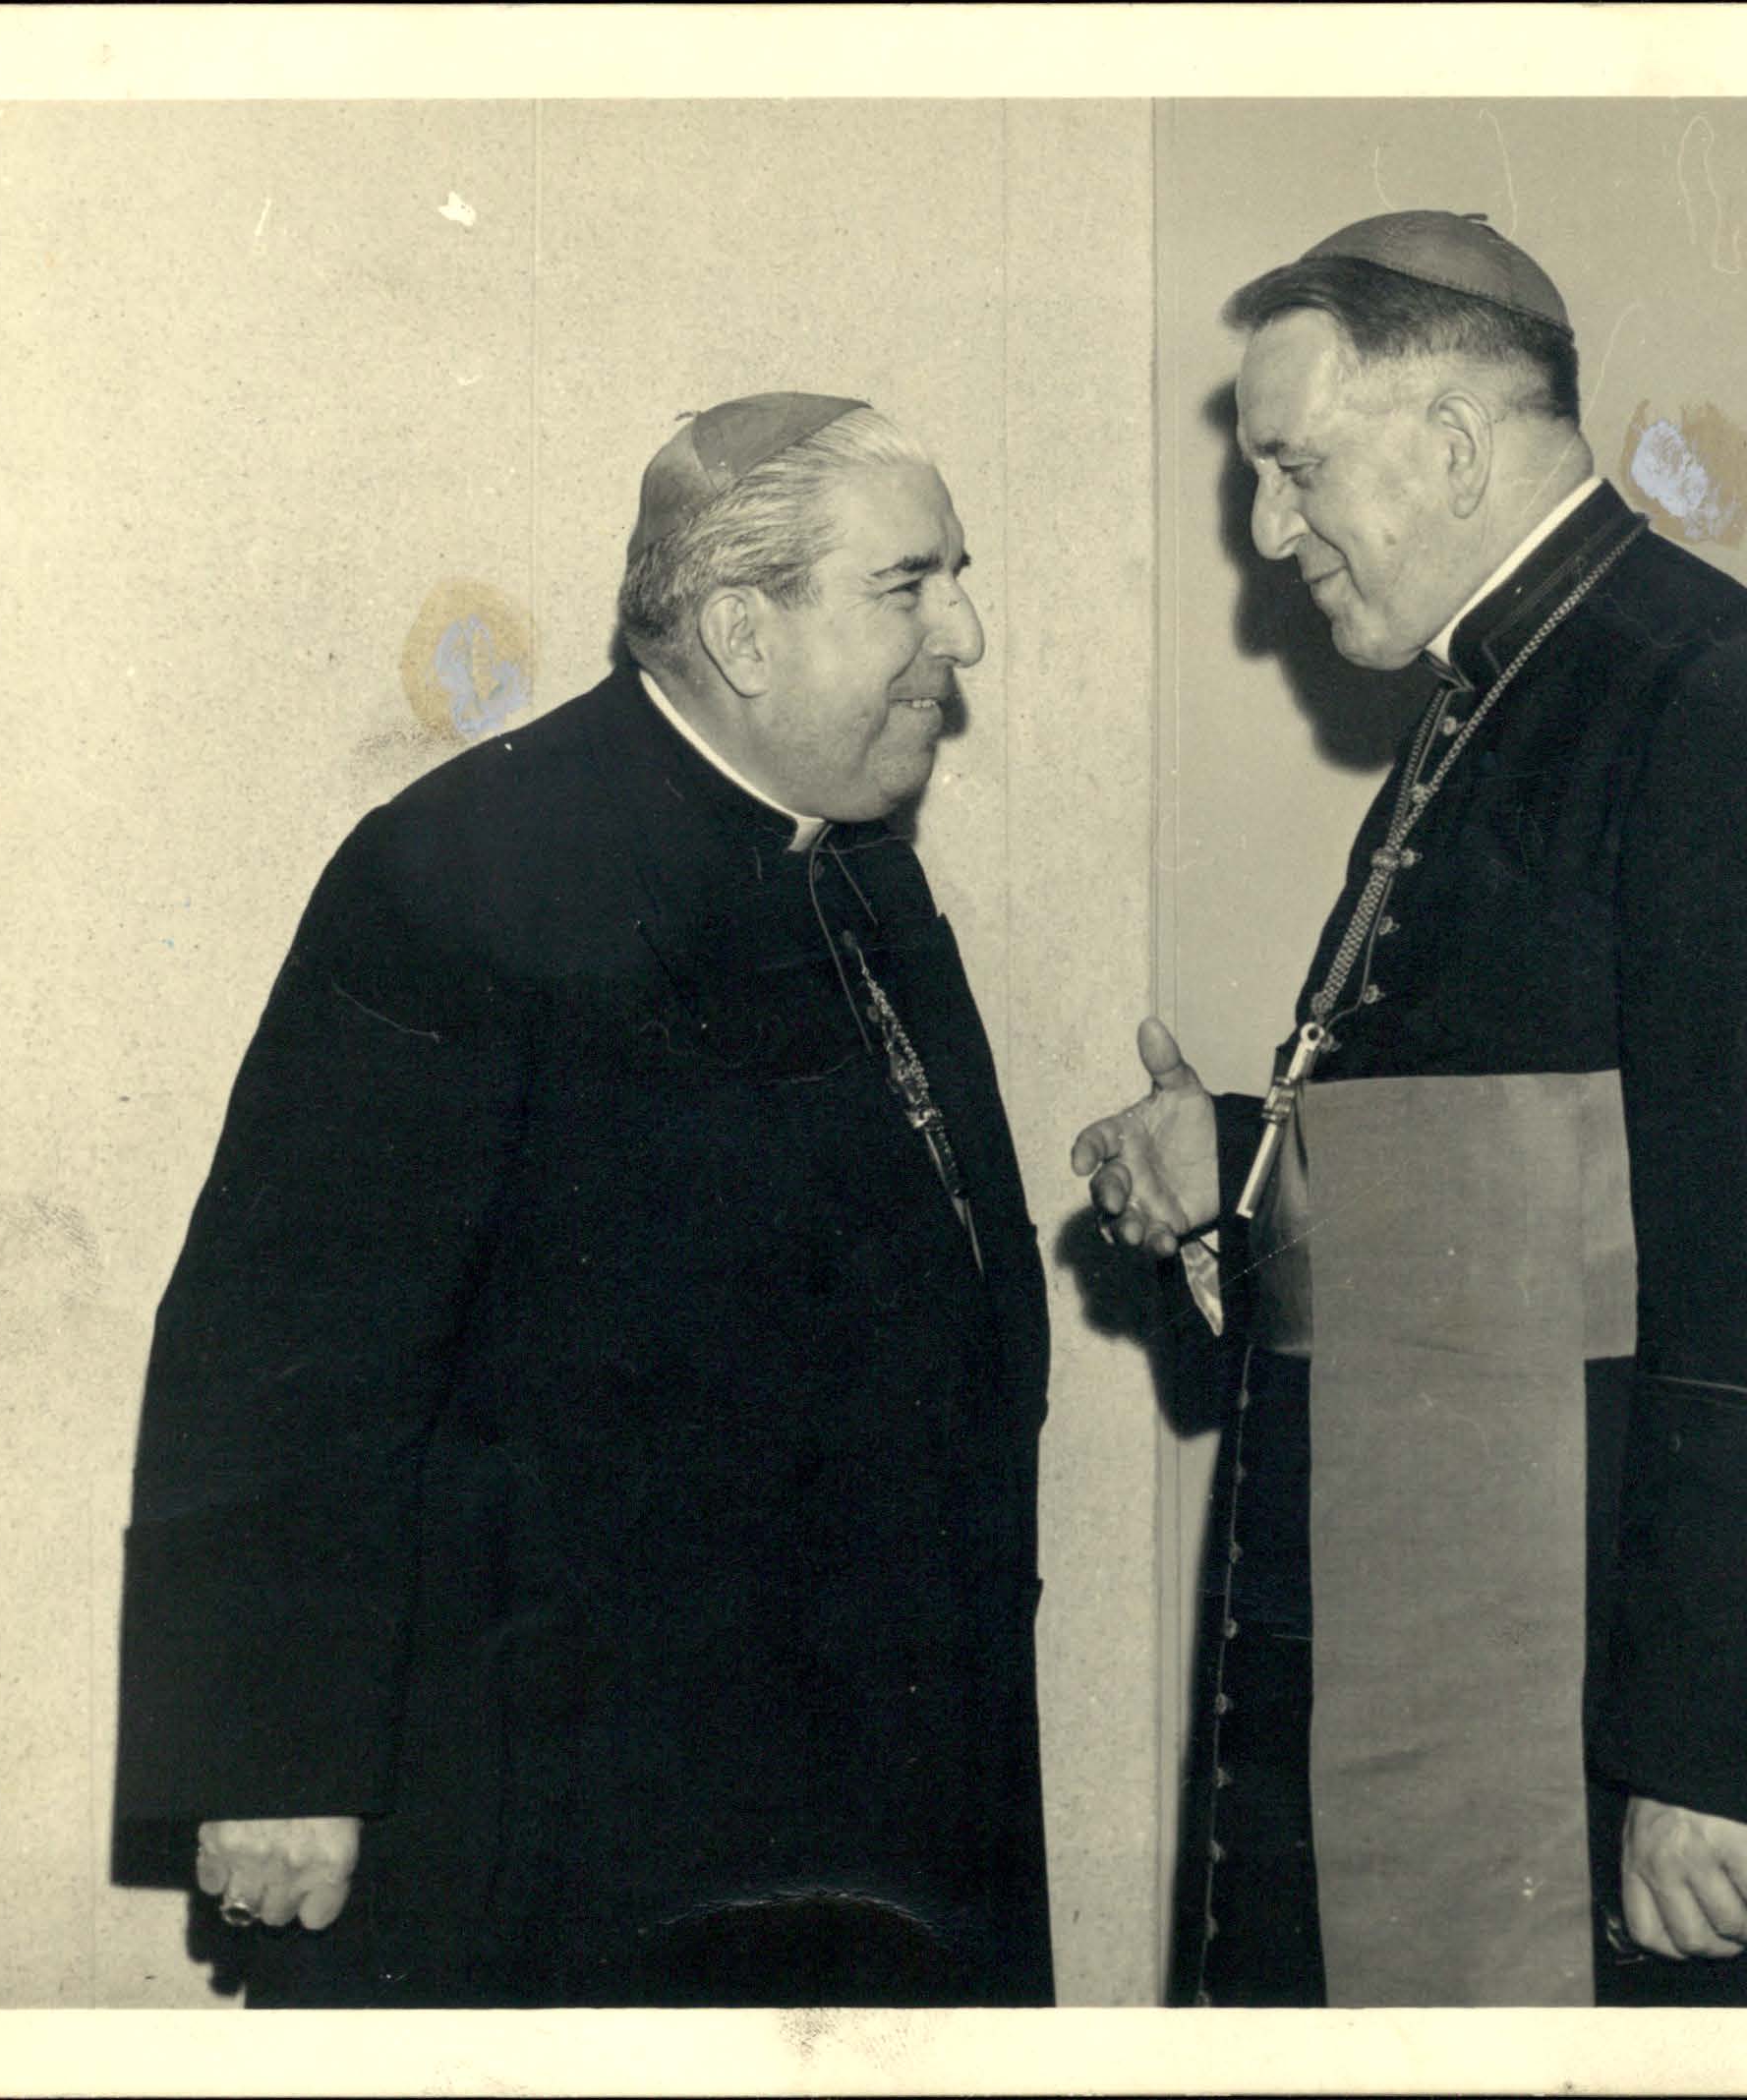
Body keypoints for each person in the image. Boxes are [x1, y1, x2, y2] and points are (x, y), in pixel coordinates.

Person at [1072, 211, 1747, 2007]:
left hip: (1597, 1678)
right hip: (1459, 1614)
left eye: (1296, 468)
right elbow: (1532, 1163)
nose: (1269, 531)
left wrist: (1721, 1752)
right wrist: (1243, 1164)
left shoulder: (1732, 704)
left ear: (1459, 445)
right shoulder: (1504, 688)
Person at [112, 395, 1056, 2008]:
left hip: (867, 1764)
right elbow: (284, 1341)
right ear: (742, 631)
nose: (962, 633)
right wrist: (276, 1757)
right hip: (558, 1790)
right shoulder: (465, 868)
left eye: (956, 579)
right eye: (910, 586)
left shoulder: (858, 866)